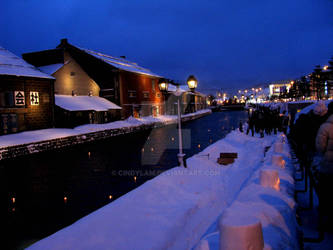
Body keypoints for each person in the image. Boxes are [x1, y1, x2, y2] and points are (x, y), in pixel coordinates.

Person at [315, 105, 333, 228]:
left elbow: (320, 147)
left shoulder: (326, 127)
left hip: (328, 165)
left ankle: (326, 217)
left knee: (326, 191)